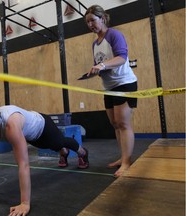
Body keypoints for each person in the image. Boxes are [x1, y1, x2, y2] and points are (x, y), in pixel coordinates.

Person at [0, 81, 89, 216]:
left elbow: (23, 164)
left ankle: (82, 152)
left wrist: (25, 203)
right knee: (51, 146)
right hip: (30, 135)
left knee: (59, 142)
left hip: (43, 126)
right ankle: (62, 152)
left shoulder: (11, 125)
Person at [84, 5, 138, 177]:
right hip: (109, 87)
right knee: (115, 124)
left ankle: (127, 162)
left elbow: (121, 58)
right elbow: (102, 64)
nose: (90, 24)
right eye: (87, 22)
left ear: (103, 18)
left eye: (93, 20)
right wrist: (94, 71)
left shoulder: (114, 35)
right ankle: (122, 157)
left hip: (124, 84)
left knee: (123, 124)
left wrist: (102, 65)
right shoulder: (95, 43)